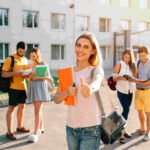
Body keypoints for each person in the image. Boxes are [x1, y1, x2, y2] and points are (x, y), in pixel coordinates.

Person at [54, 32, 104, 150]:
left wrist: (90, 88)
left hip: (91, 129)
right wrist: (66, 92)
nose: (80, 49)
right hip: (71, 128)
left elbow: (97, 81)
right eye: (78, 45)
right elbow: (56, 99)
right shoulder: (67, 72)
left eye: (86, 47)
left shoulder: (96, 69)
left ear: (93, 51)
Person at [2, 41, 30, 140]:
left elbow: (26, 75)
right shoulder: (10, 59)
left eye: (24, 52)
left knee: (22, 107)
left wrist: (29, 75)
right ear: (17, 49)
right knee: (12, 108)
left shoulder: (26, 60)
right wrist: (15, 73)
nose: (22, 53)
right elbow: (3, 74)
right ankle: (9, 132)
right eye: (21, 51)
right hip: (13, 88)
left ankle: (19, 126)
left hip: (23, 87)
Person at [27, 48, 54, 142]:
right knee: (38, 109)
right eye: (30, 56)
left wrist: (36, 76)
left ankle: (36, 131)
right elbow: (29, 79)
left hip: (40, 88)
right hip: (33, 87)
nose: (32, 58)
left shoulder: (43, 64)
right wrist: (30, 77)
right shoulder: (30, 64)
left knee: (37, 110)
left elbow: (49, 77)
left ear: (38, 55)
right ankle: (41, 128)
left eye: (34, 56)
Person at [113, 50, 137, 144]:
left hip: (130, 91)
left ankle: (122, 129)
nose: (127, 59)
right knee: (126, 109)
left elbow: (134, 78)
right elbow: (114, 78)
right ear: (123, 56)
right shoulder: (119, 65)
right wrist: (125, 78)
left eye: (129, 57)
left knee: (127, 110)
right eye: (125, 57)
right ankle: (121, 133)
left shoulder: (132, 66)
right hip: (121, 90)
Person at [129, 46, 150, 141]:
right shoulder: (138, 63)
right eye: (140, 56)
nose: (142, 58)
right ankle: (142, 128)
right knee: (140, 111)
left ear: (148, 54)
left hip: (147, 92)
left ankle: (148, 132)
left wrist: (136, 81)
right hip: (138, 91)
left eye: (144, 55)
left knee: (148, 113)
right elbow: (136, 75)